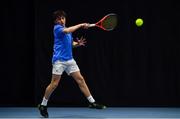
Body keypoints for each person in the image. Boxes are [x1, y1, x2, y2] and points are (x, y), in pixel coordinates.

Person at [38, 10, 106, 118]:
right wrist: (81, 24)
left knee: (80, 79)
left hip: (69, 60)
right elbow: (67, 30)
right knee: (54, 84)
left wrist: (77, 44)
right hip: (59, 60)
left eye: (63, 18)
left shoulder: (68, 32)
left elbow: (70, 44)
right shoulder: (57, 29)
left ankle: (92, 102)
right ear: (55, 21)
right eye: (59, 19)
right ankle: (43, 105)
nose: (61, 20)